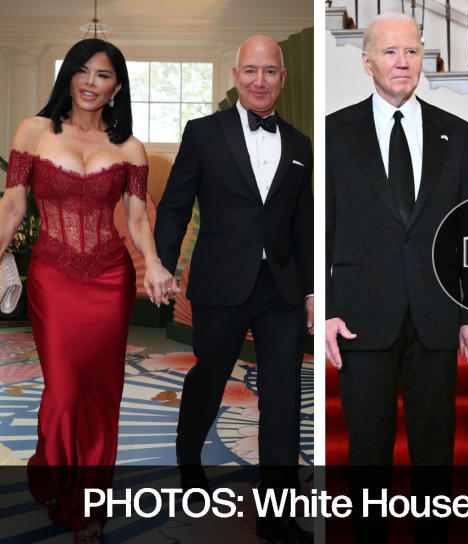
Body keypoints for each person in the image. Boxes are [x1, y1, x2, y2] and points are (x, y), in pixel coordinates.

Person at [0, 38, 173, 541]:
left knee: (101, 394)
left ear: (117, 86)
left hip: (109, 278)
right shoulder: (33, 132)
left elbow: (138, 219)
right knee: (65, 388)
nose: (90, 83)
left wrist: (156, 262)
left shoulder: (129, 148)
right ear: (68, 77)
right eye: (81, 71)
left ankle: (88, 506)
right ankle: (53, 471)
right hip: (52, 275)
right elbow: (12, 209)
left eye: (102, 75)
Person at [153, 34, 313, 543]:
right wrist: (162, 264)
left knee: (284, 394)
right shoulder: (203, 133)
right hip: (220, 283)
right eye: (251, 71)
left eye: (270, 72)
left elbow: (303, 224)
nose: (260, 80)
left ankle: (278, 507)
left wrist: (310, 292)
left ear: (282, 79)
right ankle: (188, 459)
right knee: (210, 377)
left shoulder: (300, 144)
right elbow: (176, 205)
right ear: (236, 75)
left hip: (281, 289)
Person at [325, 12, 468, 467]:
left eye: (412, 51)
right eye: (390, 51)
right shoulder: (333, 134)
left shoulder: (458, 134)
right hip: (360, 321)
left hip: (436, 320)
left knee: (435, 458)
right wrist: (325, 310)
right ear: (367, 62)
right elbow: (321, 229)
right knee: (367, 458)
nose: (403, 61)